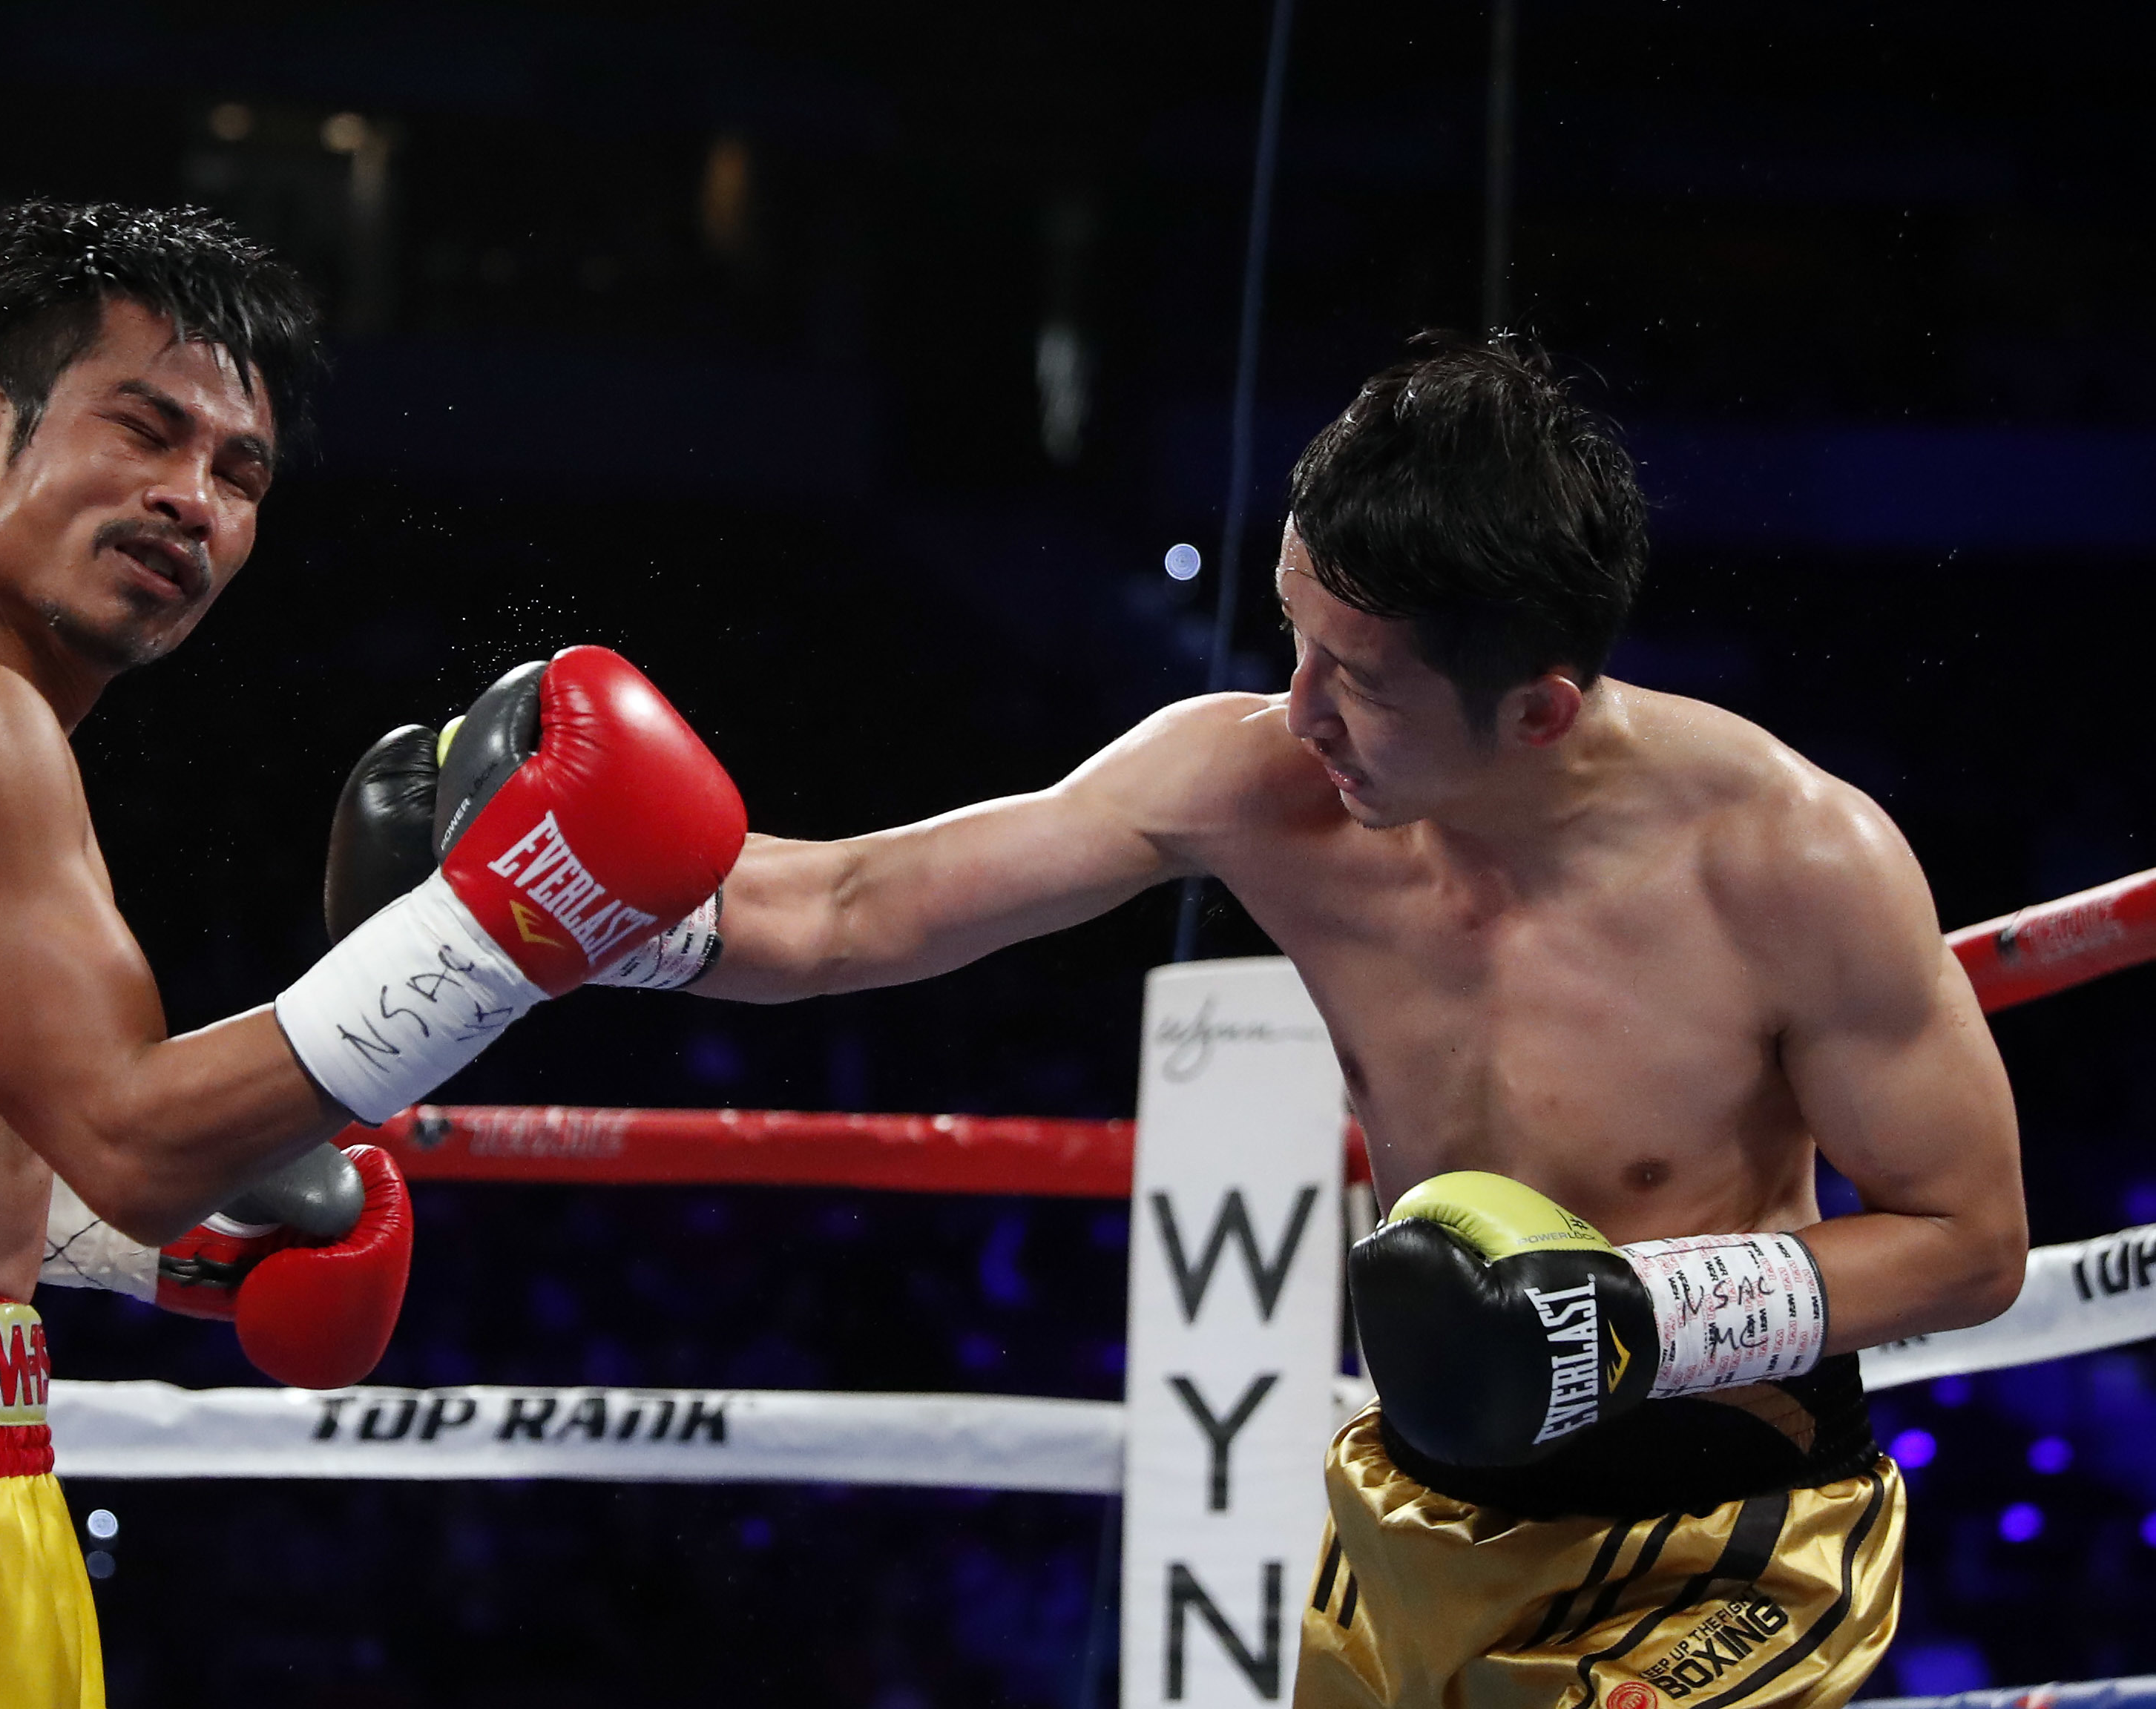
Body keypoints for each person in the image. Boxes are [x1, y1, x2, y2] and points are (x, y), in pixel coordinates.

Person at [685, 337, 2027, 1708]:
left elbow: (1970, 1244)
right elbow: (845, 909)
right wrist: (556, 898)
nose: (1301, 710)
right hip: (1417, 1513)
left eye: (1363, 683)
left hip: (1722, 1541)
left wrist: (1645, 1314)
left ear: (1537, 711)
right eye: (1295, 638)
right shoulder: (1257, 784)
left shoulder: (1790, 866)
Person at [0, 201, 743, 1708]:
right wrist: (496, 938)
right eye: (146, 432)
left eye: (238, 472)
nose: (195, 499)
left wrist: (160, 1253)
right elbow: (126, 1128)